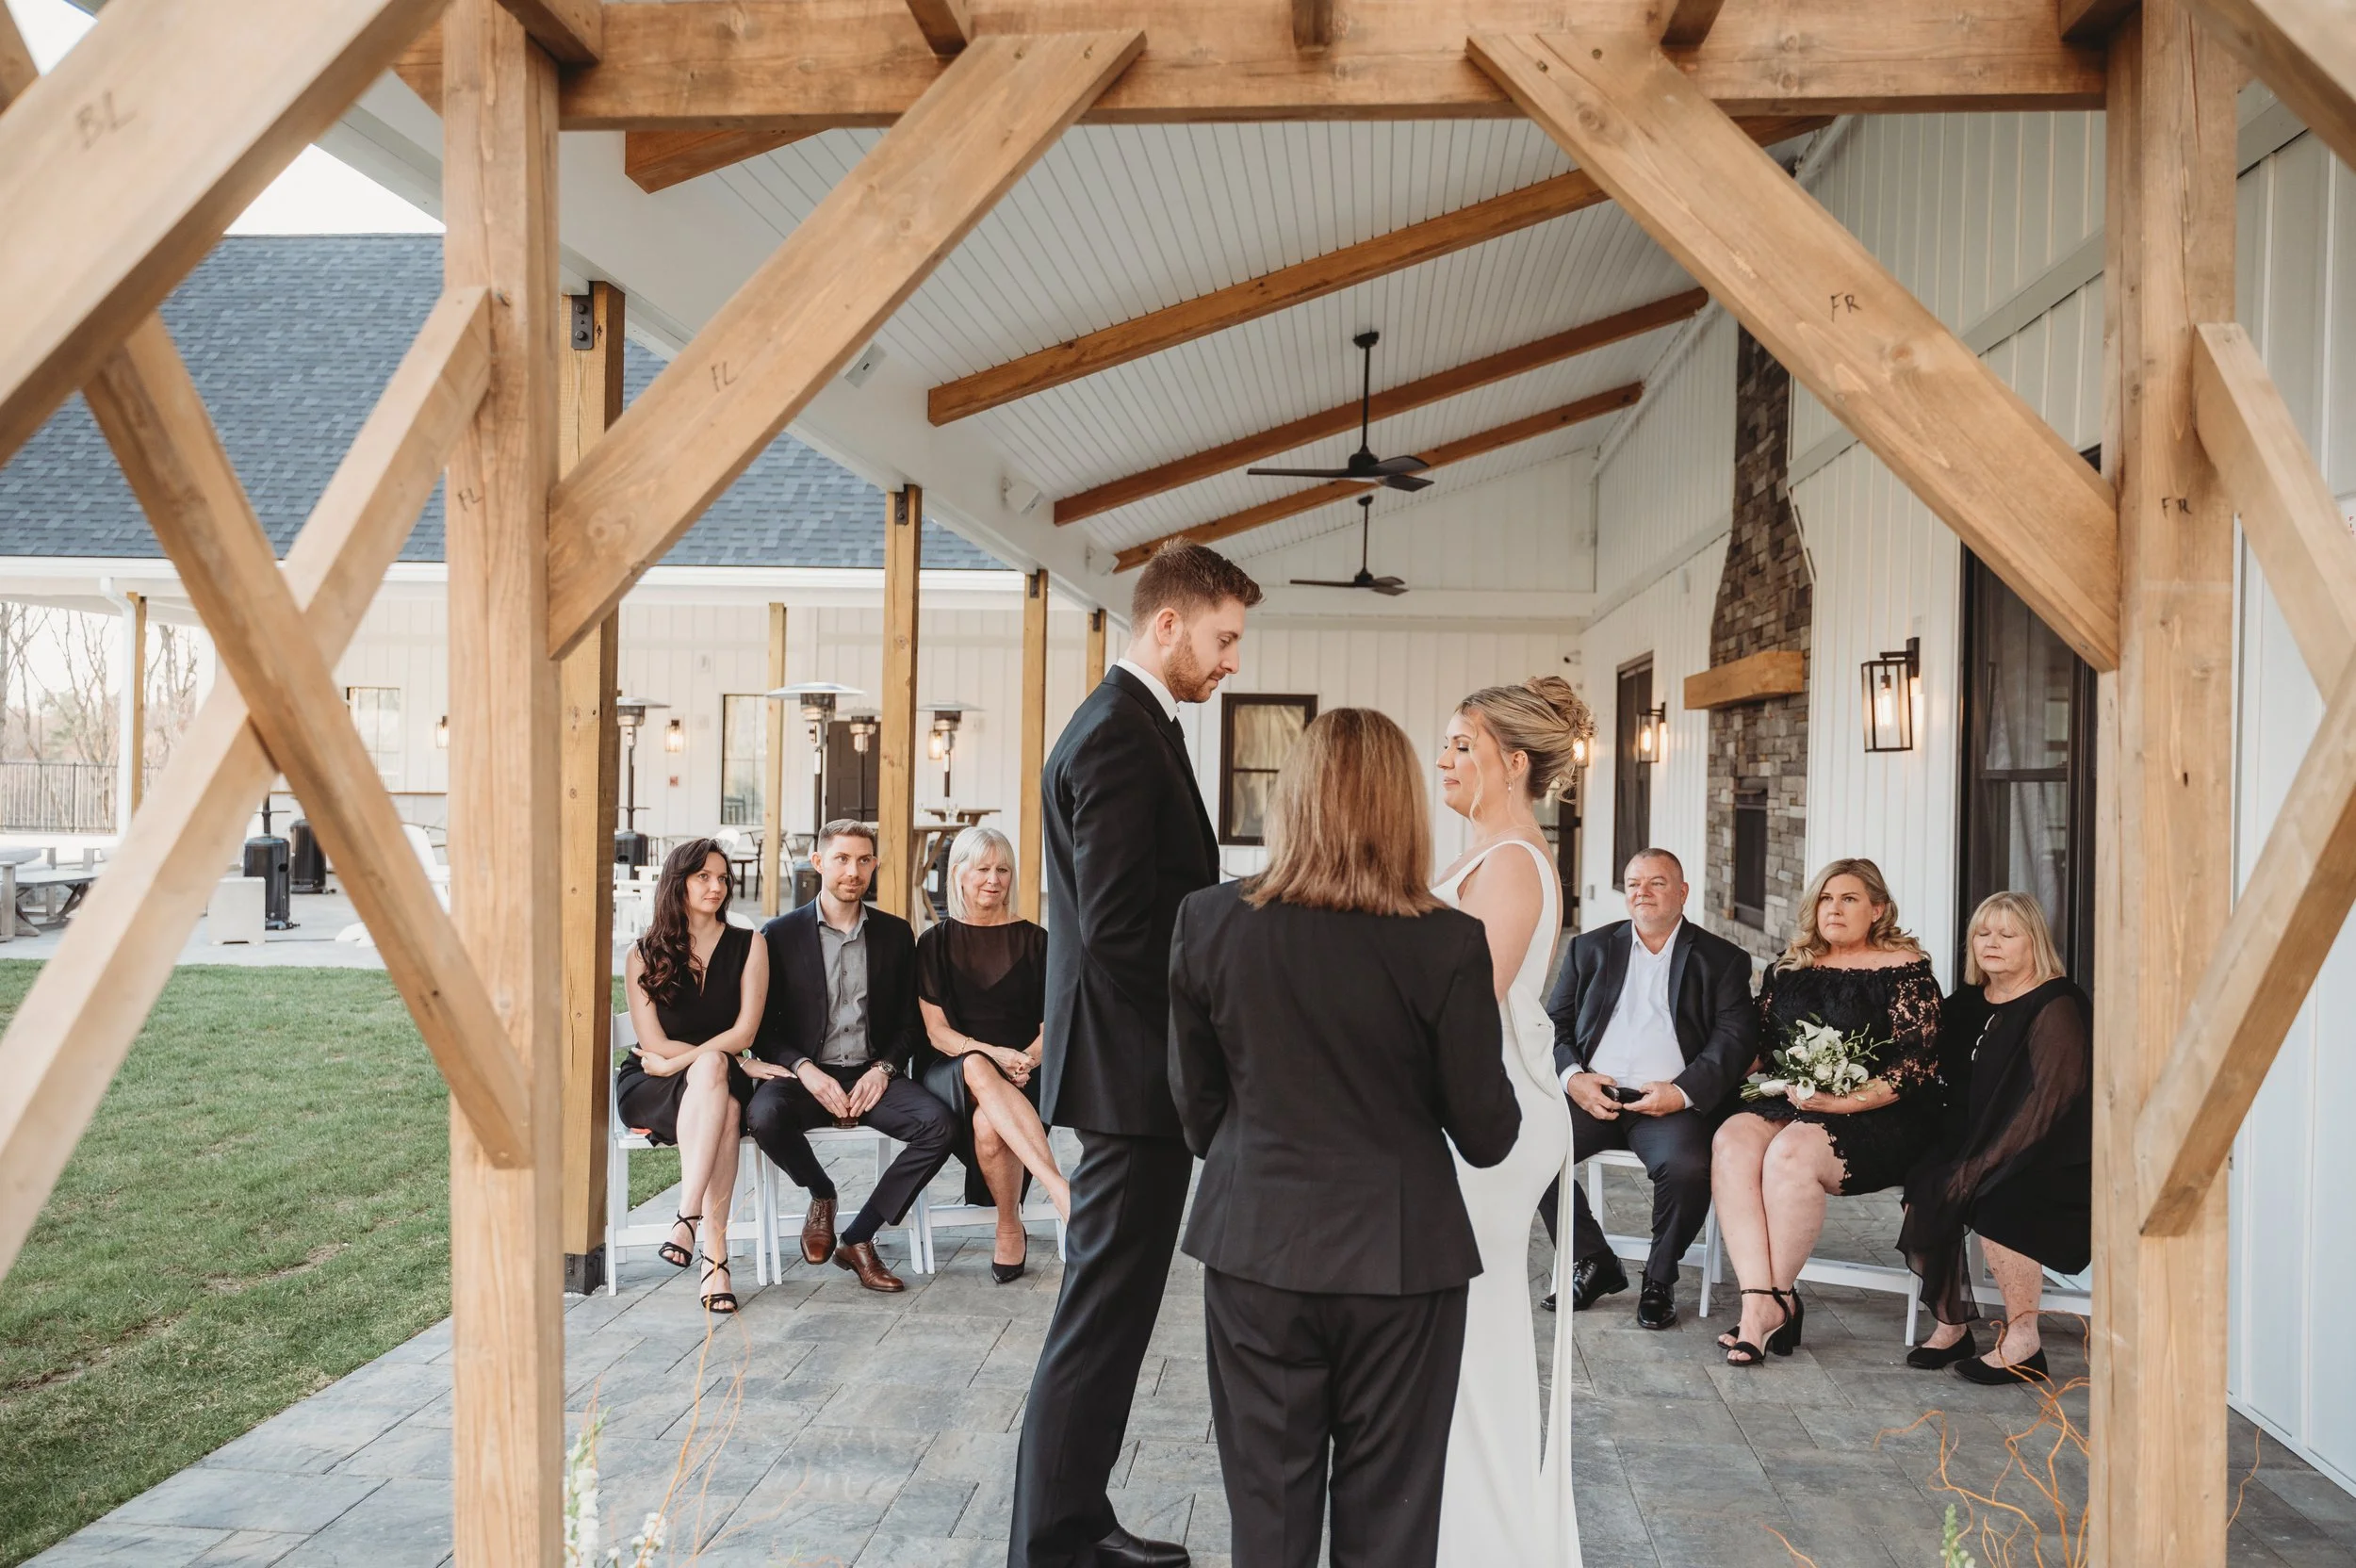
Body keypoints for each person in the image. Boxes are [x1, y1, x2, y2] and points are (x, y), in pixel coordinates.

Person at [1170, 709, 1520, 1568]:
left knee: (1268, 1514)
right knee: (1391, 1523)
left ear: (1295, 799)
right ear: (1402, 808)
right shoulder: (1447, 941)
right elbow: (1485, 1135)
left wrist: (1263, 1152)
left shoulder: (1210, 922)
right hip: (1401, 1260)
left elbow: (1196, 1106)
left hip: (1256, 1246)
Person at [1010, 541, 1261, 1568]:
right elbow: (1122, 929)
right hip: (1129, 1075)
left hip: (1129, 1072)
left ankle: (1075, 1519)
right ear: (1168, 625)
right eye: (1223, 638)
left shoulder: (1133, 724)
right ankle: (1052, 1543)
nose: (1229, 661)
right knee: (1098, 1312)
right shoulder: (1118, 734)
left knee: (1109, 1313)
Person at [1430, 677, 1590, 1568]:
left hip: (1488, 1119)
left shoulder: (1514, 863)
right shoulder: (1490, 853)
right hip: (1473, 1105)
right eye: (1446, 742)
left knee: (1472, 1325)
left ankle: (1483, 1540)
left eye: (1463, 744)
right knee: (1453, 1326)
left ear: (1514, 764)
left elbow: (1465, 1009)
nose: (1445, 759)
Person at [1710, 858, 1944, 1366]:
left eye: (1849, 899)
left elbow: (1917, 1067)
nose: (1833, 908)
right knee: (1732, 1139)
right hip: (1796, 1098)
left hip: (1878, 1113)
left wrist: (1839, 1101)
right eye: (1825, 898)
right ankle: (1763, 1303)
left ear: (1878, 909)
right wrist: (1701, 1074)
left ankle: (1774, 1296)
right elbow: (1763, 1046)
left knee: (1791, 1154)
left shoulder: (1904, 970)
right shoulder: (1791, 967)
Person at [1541, 848, 1757, 1328]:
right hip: (1593, 1095)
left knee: (1685, 1167)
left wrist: (1681, 1093)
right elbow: (1552, 1024)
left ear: (1682, 893)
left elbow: (1734, 1042)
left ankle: (1659, 1280)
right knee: (1529, 1148)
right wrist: (1574, 1079)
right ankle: (1593, 1258)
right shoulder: (1589, 949)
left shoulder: (1722, 960)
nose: (1643, 891)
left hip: (1670, 1103)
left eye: (1657, 882)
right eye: (1634, 882)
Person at [744, 820, 955, 1295]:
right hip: (805, 1073)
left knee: (939, 1125)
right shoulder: (778, 935)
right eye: (841, 859)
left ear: (874, 865)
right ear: (818, 863)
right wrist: (804, 1069)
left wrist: (884, 1070)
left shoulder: (897, 935)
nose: (853, 871)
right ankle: (822, 1193)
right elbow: (762, 1029)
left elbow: (909, 1023)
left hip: (870, 1073)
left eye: (863, 860)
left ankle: (859, 1238)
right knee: (764, 1115)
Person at [1901, 892, 2090, 1384]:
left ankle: (2024, 1341)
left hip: (2047, 1148)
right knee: (1929, 1183)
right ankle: (1952, 1324)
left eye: (2007, 934)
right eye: (1983, 933)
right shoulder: (1968, 1001)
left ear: (2034, 943)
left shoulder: (2056, 1002)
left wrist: (1984, 1163)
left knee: (1997, 1199)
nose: (1993, 943)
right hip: (1974, 1139)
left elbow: (2052, 1101)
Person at [615, 838, 776, 1314]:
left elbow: (746, 1029)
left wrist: (720, 1060)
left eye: (722, 878)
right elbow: (655, 1045)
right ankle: (715, 1258)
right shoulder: (643, 953)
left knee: (722, 1097)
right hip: (654, 1083)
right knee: (719, 1092)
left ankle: (687, 1219)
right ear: (677, 881)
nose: (716, 886)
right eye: (703, 876)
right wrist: (729, 1060)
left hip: (707, 1077)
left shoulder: (750, 945)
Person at [913, 824, 1071, 1283]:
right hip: (950, 1071)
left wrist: (1028, 1059)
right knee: (977, 1064)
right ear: (958, 874)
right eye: (982, 868)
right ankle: (1060, 1190)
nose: (993, 879)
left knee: (989, 1122)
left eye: (1002, 869)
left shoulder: (1037, 942)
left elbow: (1052, 1026)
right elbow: (938, 1034)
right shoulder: (934, 942)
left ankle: (1009, 1225)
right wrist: (996, 1056)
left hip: (1026, 1071)